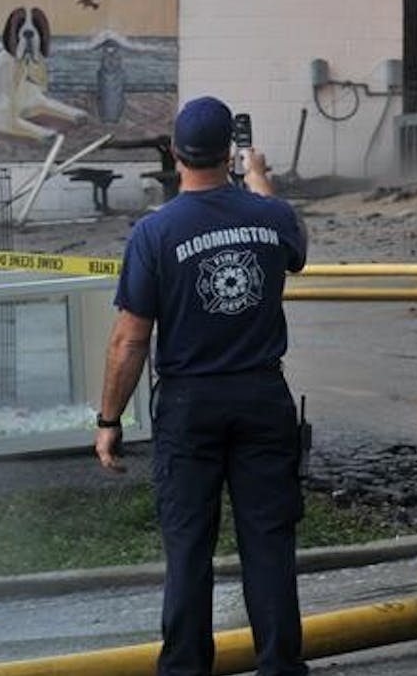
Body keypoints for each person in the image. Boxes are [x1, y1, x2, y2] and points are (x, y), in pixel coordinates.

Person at [95, 96, 308, 676]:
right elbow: (293, 244)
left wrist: (109, 420)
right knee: (268, 544)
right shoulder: (271, 216)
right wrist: (260, 177)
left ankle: (185, 668)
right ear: (228, 155)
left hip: (190, 405)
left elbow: (129, 340)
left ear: (173, 152)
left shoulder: (155, 233)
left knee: (188, 548)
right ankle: (280, 667)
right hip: (263, 398)